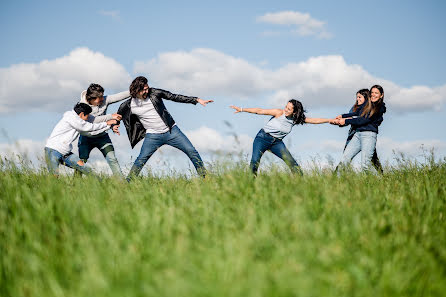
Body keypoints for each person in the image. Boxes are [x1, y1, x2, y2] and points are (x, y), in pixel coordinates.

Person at [118, 76, 213, 180]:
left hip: (172, 131)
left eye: (147, 88)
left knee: (191, 151)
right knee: (141, 159)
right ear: (137, 90)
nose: (147, 90)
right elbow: (117, 117)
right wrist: (114, 126)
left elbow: (174, 97)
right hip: (152, 136)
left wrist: (196, 99)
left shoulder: (155, 93)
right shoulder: (128, 105)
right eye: (144, 89)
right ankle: (128, 182)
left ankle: (205, 178)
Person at [230, 99, 332, 175]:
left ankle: (301, 184)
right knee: (255, 161)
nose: (286, 110)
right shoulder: (279, 112)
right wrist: (242, 109)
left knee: (293, 164)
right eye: (286, 107)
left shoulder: (295, 119)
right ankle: (250, 184)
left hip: (277, 143)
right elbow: (259, 111)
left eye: (289, 109)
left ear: (295, 112)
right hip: (262, 138)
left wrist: (329, 120)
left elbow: (314, 121)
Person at [44, 103, 118, 176]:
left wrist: (109, 126)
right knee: (54, 176)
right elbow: (89, 127)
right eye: (88, 115)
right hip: (53, 151)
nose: (88, 118)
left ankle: (102, 185)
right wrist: (106, 123)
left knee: (87, 169)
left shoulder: (78, 122)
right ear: (82, 114)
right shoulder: (72, 118)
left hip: (66, 153)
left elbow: (89, 131)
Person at [78, 83, 130, 178]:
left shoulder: (104, 100)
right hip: (86, 137)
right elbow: (92, 120)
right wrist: (111, 117)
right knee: (82, 161)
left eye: (102, 96)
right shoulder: (82, 106)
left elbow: (119, 96)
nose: (102, 99)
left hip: (102, 137)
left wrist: (135, 90)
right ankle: (75, 183)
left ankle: (122, 184)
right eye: (100, 98)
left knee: (112, 159)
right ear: (92, 99)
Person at [332, 85, 386, 172]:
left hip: (368, 135)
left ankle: (376, 183)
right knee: (345, 159)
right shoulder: (368, 105)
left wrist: (345, 121)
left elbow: (363, 119)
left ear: (381, 95)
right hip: (358, 134)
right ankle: (335, 183)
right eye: (372, 92)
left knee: (365, 164)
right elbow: (357, 113)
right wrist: (342, 116)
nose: (373, 94)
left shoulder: (379, 107)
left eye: (376, 93)